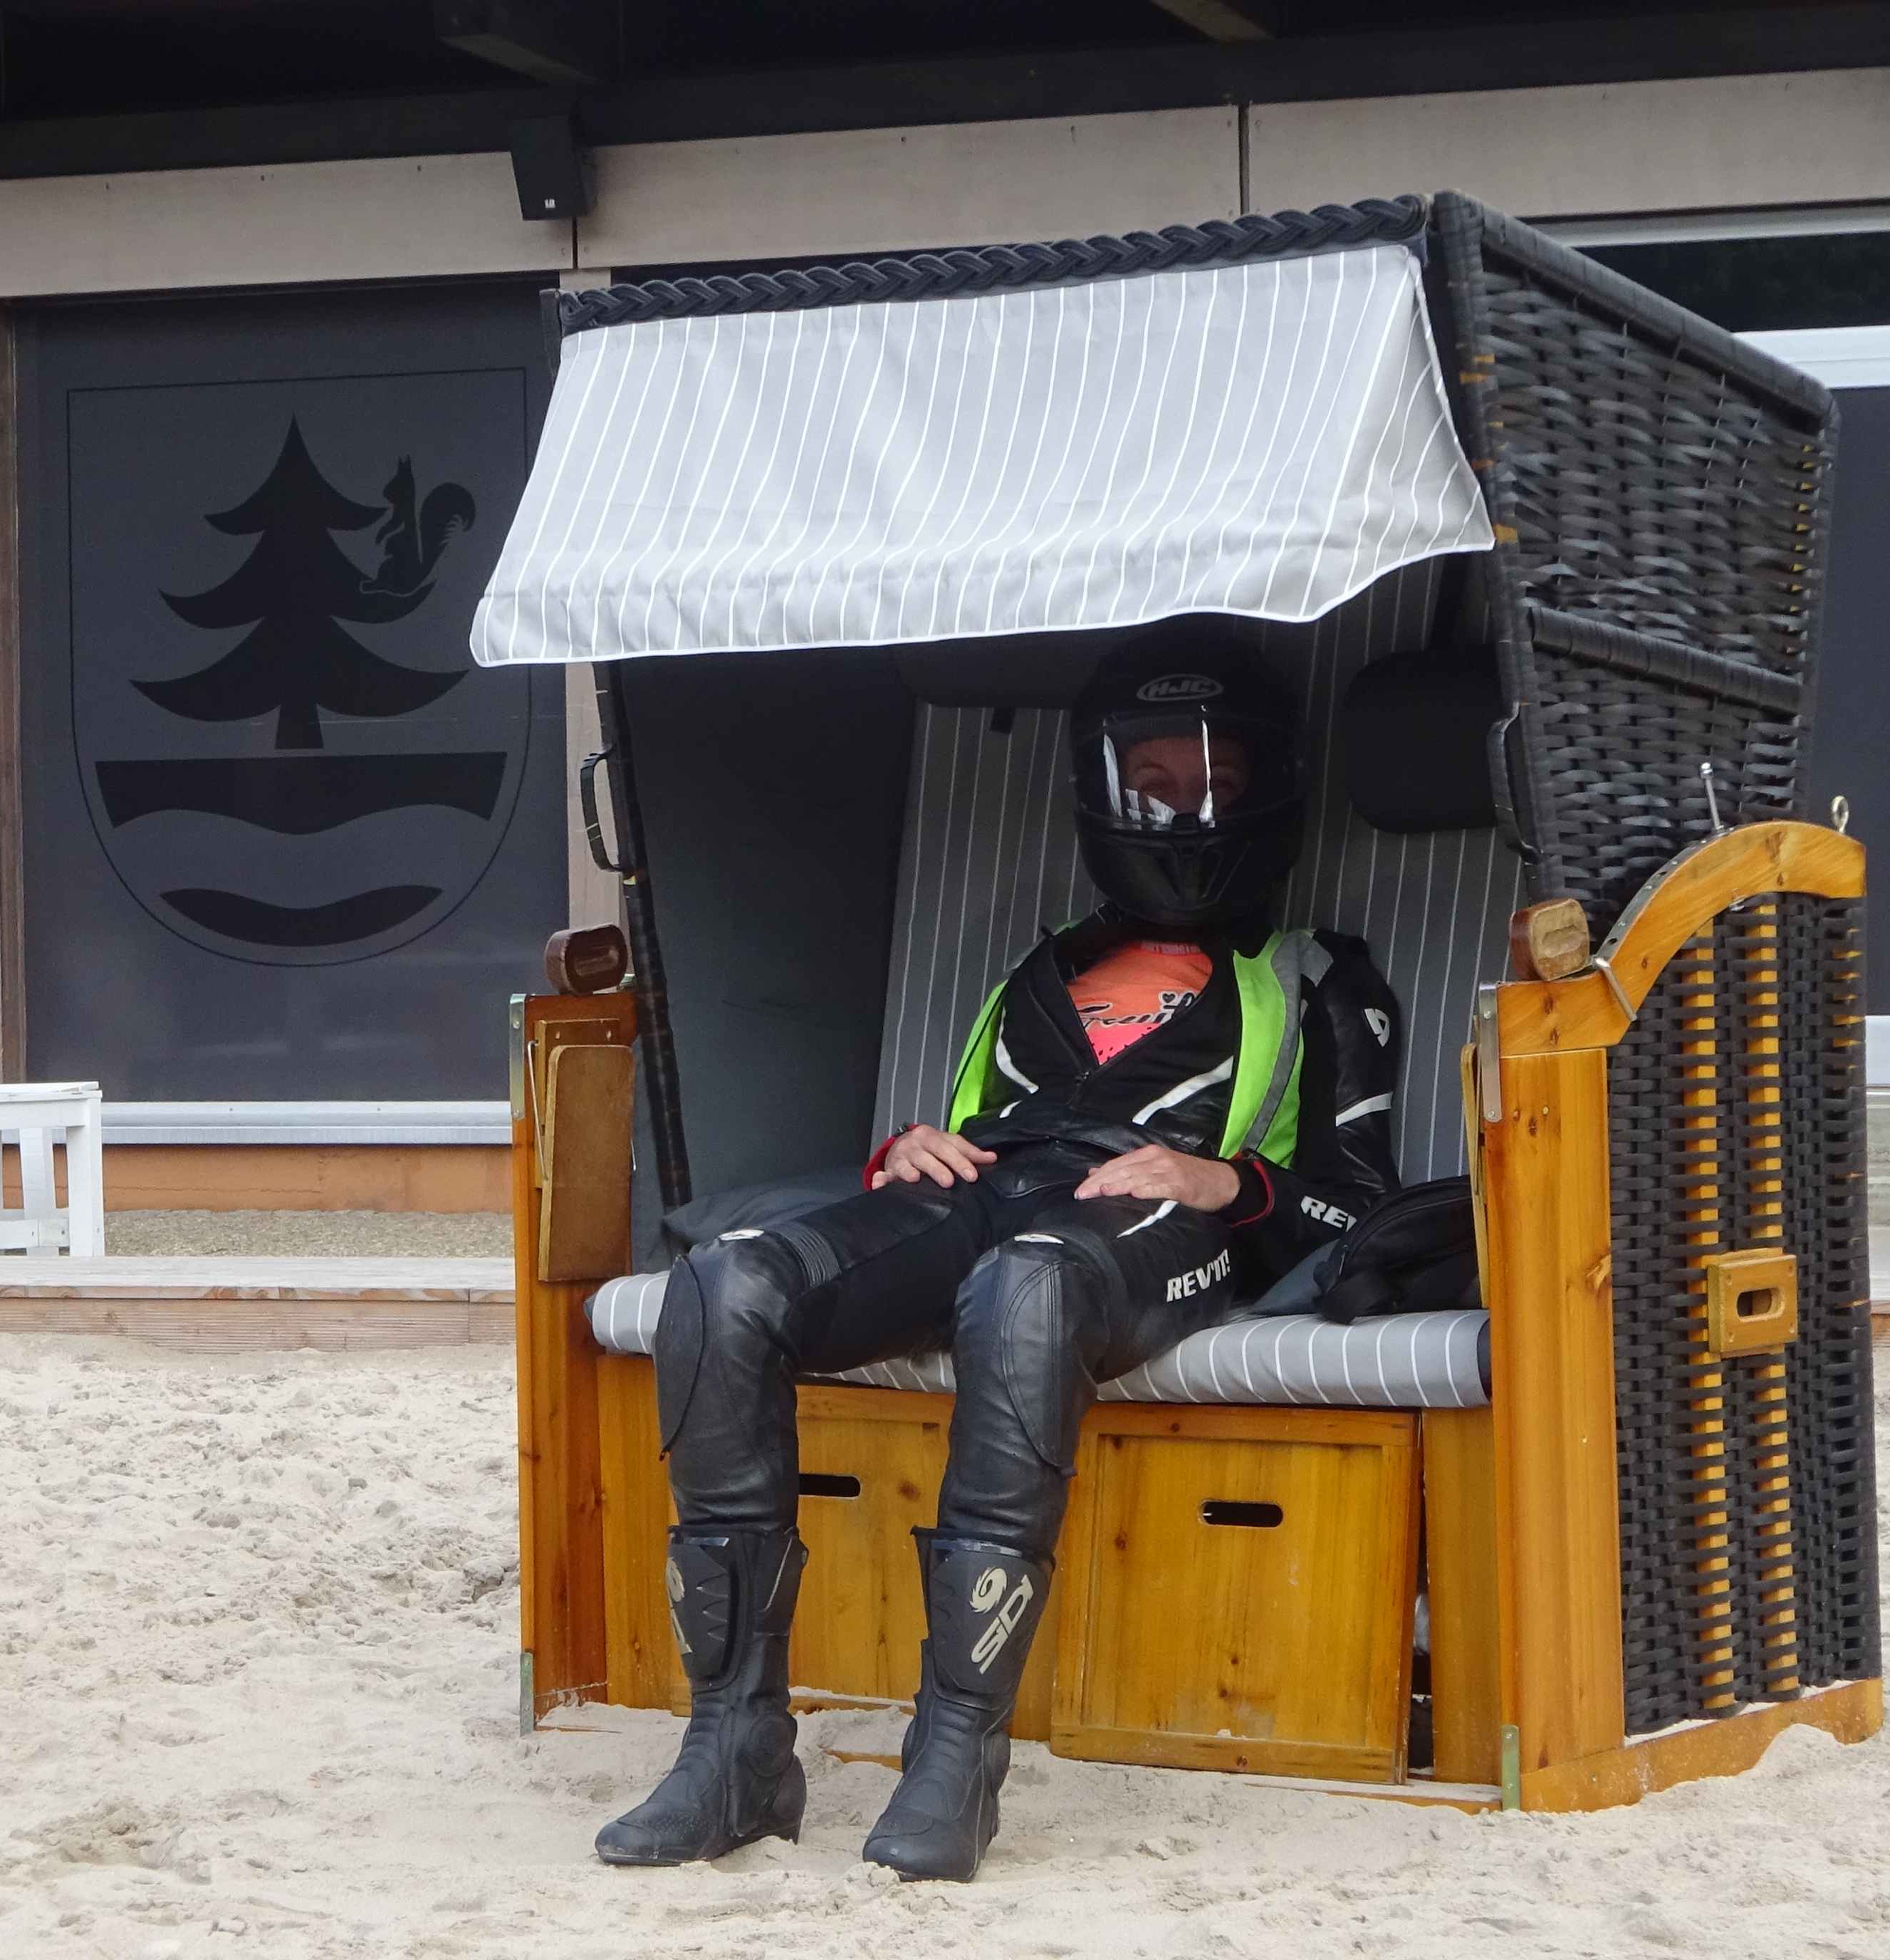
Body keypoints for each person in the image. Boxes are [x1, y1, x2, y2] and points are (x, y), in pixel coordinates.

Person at [596, 616, 1401, 1882]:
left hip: (1150, 1229)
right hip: (990, 1199)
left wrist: (1228, 1179)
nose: (1182, 812)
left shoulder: (1320, 978)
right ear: (1102, 790)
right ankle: (734, 1747)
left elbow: (1363, 1210)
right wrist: (911, 1149)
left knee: (1023, 1289)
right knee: (724, 1283)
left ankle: (955, 1756)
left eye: (1216, 783)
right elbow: (984, 1131)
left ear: (1271, 791)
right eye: (1154, 782)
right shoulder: (1041, 966)